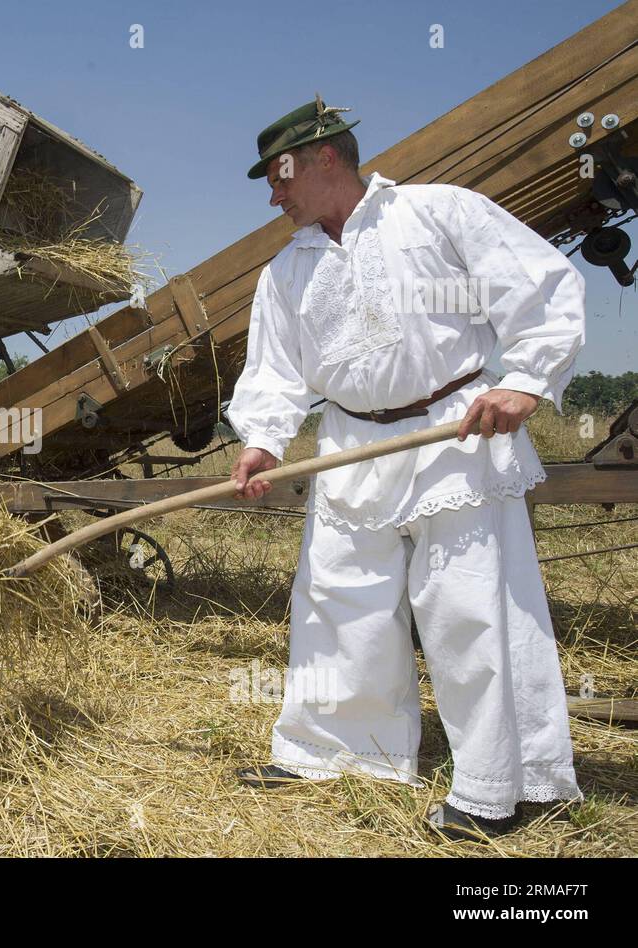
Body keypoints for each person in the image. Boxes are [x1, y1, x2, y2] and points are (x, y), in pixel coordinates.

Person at [226, 96, 587, 842]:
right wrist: (262, 438)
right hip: (351, 447)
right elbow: (274, 371)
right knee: (337, 602)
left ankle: (500, 785)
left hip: (455, 435)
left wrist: (522, 380)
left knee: (471, 609)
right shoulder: (288, 270)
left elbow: (541, 285)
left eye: (280, 174)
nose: (274, 193)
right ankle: (337, 752)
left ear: (327, 156)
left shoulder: (436, 214)